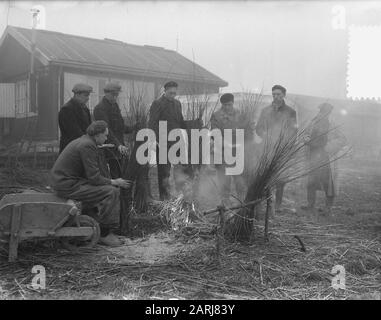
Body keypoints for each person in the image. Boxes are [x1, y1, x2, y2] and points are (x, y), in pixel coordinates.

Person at [51, 121, 132, 246]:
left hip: (67, 181)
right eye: (105, 135)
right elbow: (94, 178)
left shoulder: (86, 141)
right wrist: (115, 181)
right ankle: (104, 234)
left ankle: (89, 223)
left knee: (98, 190)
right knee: (112, 191)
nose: (106, 138)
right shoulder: (87, 146)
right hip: (67, 185)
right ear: (97, 135)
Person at [256, 85, 297, 212]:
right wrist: (265, 135)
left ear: (284, 95)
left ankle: (278, 204)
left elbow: (294, 131)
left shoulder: (290, 112)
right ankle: (266, 202)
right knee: (264, 175)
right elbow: (258, 128)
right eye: (273, 94)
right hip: (266, 148)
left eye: (278, 94)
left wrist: (286, 144)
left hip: (281, 149)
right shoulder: (265, 111)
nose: (276, 97)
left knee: (280, 177)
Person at [302, 103, 347, 214]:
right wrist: (306, 138)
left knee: (328, 183)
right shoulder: (313, 122)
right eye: (321, 111)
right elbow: (305, 134)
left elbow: (343, 139)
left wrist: (329, 147)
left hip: (326, 157)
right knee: (311, 181)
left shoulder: (333, 123)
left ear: (329, 112)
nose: (323, 113)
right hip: (313, 155)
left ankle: (328, 208)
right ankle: (310, 204)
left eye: (326, 111)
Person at [148, 81, 187, 200]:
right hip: (163, 143)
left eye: (174, 93)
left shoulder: (177, 104)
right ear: (164, 91)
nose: (172, 95)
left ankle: (180, 196)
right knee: (164, 173)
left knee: (179, 170)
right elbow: (152, 123)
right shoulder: (157, 103)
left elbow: (180, 122)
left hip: (176, 141)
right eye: (170, 93)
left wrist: (193, 124)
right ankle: (165, 199)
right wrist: (156, 140)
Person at [210, 93, 246, 206]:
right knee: (224, 180)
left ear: (233, 103)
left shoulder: (239, 114)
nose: (227, 107)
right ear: (222, 104)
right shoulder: (216, 115)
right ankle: (225, 204)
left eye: (229, 105)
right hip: (222, 151)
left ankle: (241, 203)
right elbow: (214, 133)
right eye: (225, 105)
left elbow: (246, 129)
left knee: (239, 179)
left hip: (237, 152)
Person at [93, 82, 134, 178]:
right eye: (113, 95)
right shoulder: (100, 108)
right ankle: (115, 193)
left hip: (119, 147)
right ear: (106, 93)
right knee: (114, 175)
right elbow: (107, 130)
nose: (115, 97)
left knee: (123, 173)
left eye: (117, 95)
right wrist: (118, 144)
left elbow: (121, 127)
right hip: (108, 147)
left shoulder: (115, 106)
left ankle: (122, 193)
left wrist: (134, 127)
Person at [58, 83, 93, 153]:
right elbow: (74, 133)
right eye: (85, 95)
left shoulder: (85, 109)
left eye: (88, 95)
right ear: (77, 95)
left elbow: (89, 128)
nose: (88, 98)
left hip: (82, 148)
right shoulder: (67, 110)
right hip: (70, 150)